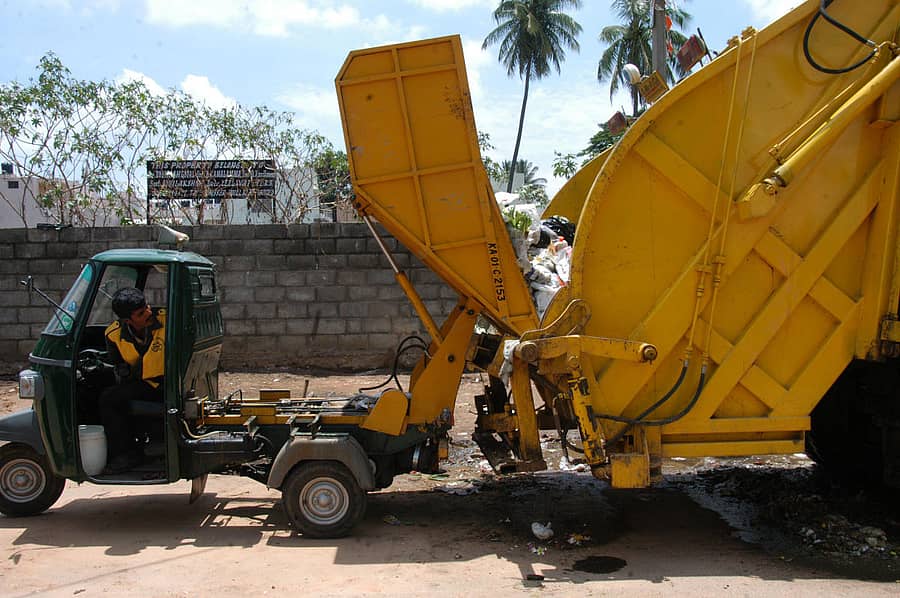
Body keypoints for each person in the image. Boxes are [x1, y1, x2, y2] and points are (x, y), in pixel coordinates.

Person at [98, 287, 166, 473]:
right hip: (144, 385)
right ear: (128, 320)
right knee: (109, 398)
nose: (148, 313)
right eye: (141, 313)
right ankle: (125, 454)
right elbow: (118, 364)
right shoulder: (113, 335)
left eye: (147, 307)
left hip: (168, 384)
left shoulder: (167, 321)